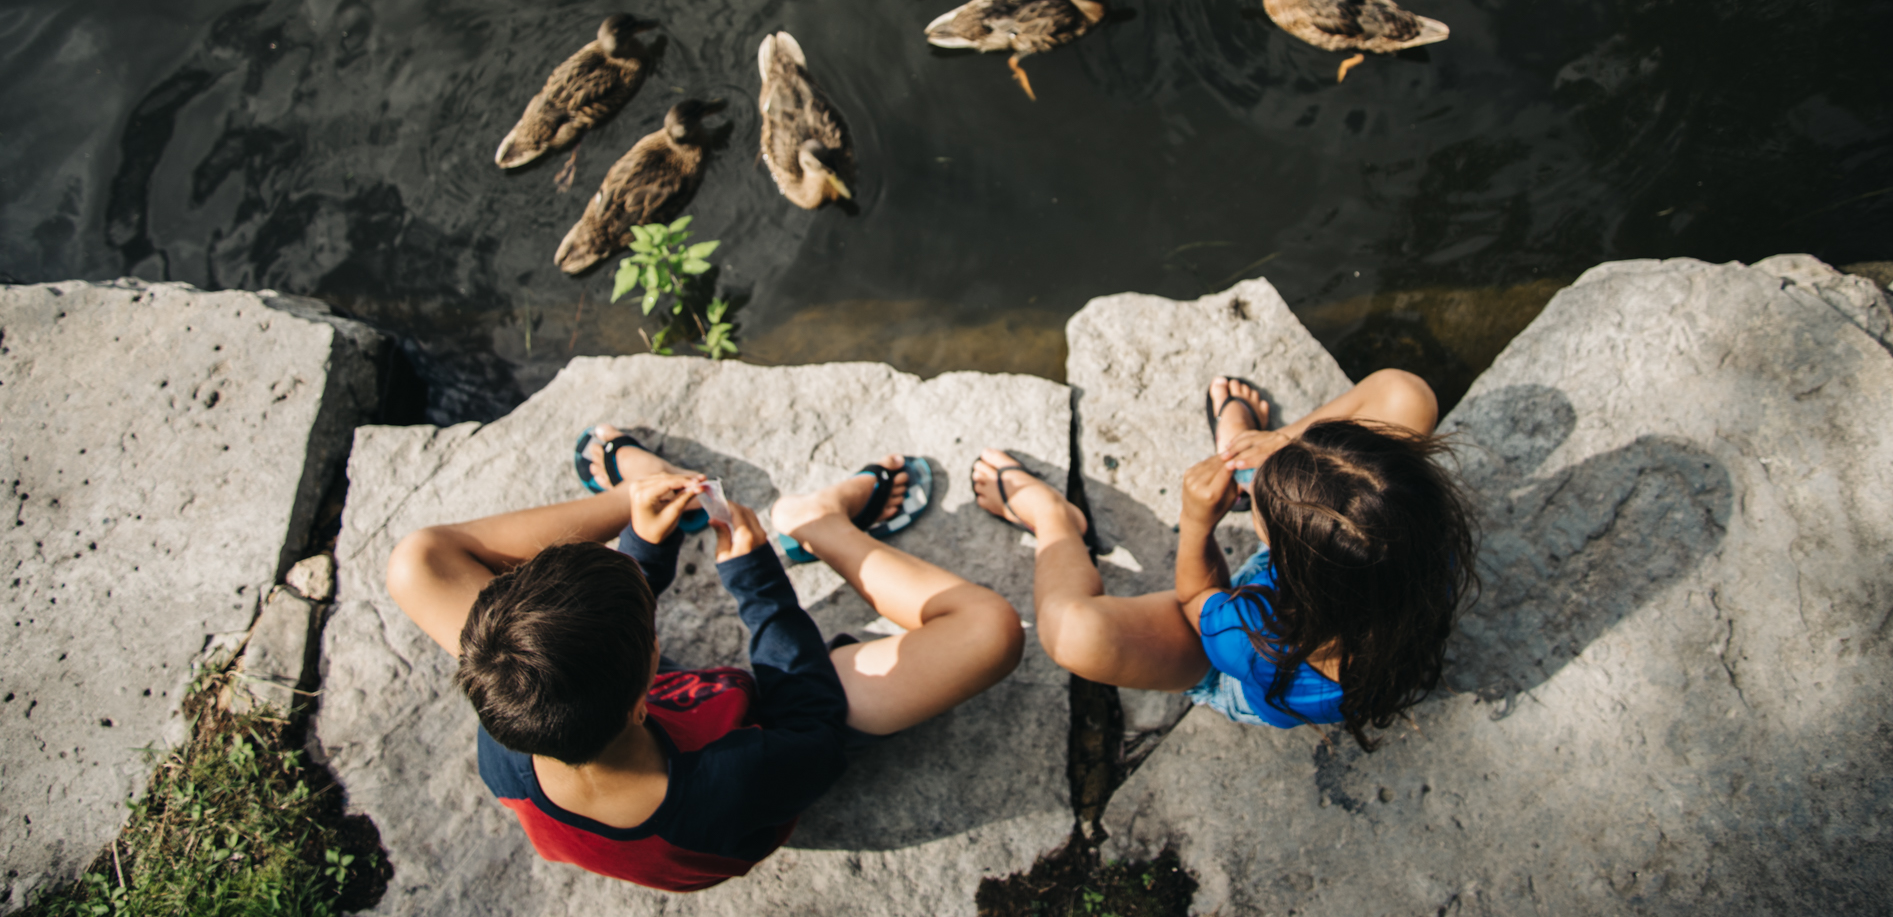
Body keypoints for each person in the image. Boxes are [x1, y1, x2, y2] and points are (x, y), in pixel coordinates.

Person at [385, 425, 1024, 891]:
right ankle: (818, 522)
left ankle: (645, 494)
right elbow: (812, 722)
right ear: (648, 689)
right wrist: (757, 579)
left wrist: (641, 546)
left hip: (605, 723)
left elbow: (574, 657)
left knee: (416, 561)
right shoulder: (733, 778)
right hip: (760, 733)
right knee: (991, 631)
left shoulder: (510, 731)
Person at [970, 370, 1475, 746]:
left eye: (1262, 503)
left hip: (1239, 664)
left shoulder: (1256, 639)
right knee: (1407, 394)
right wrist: (1280, 445)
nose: (1268, 478)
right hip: (1341, 595)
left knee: (1073, 633)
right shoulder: (1425, 551)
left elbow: (1196, 599)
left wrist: (1196, 522)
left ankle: (1054, 521)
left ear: (1281, 556)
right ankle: (1250, 449)